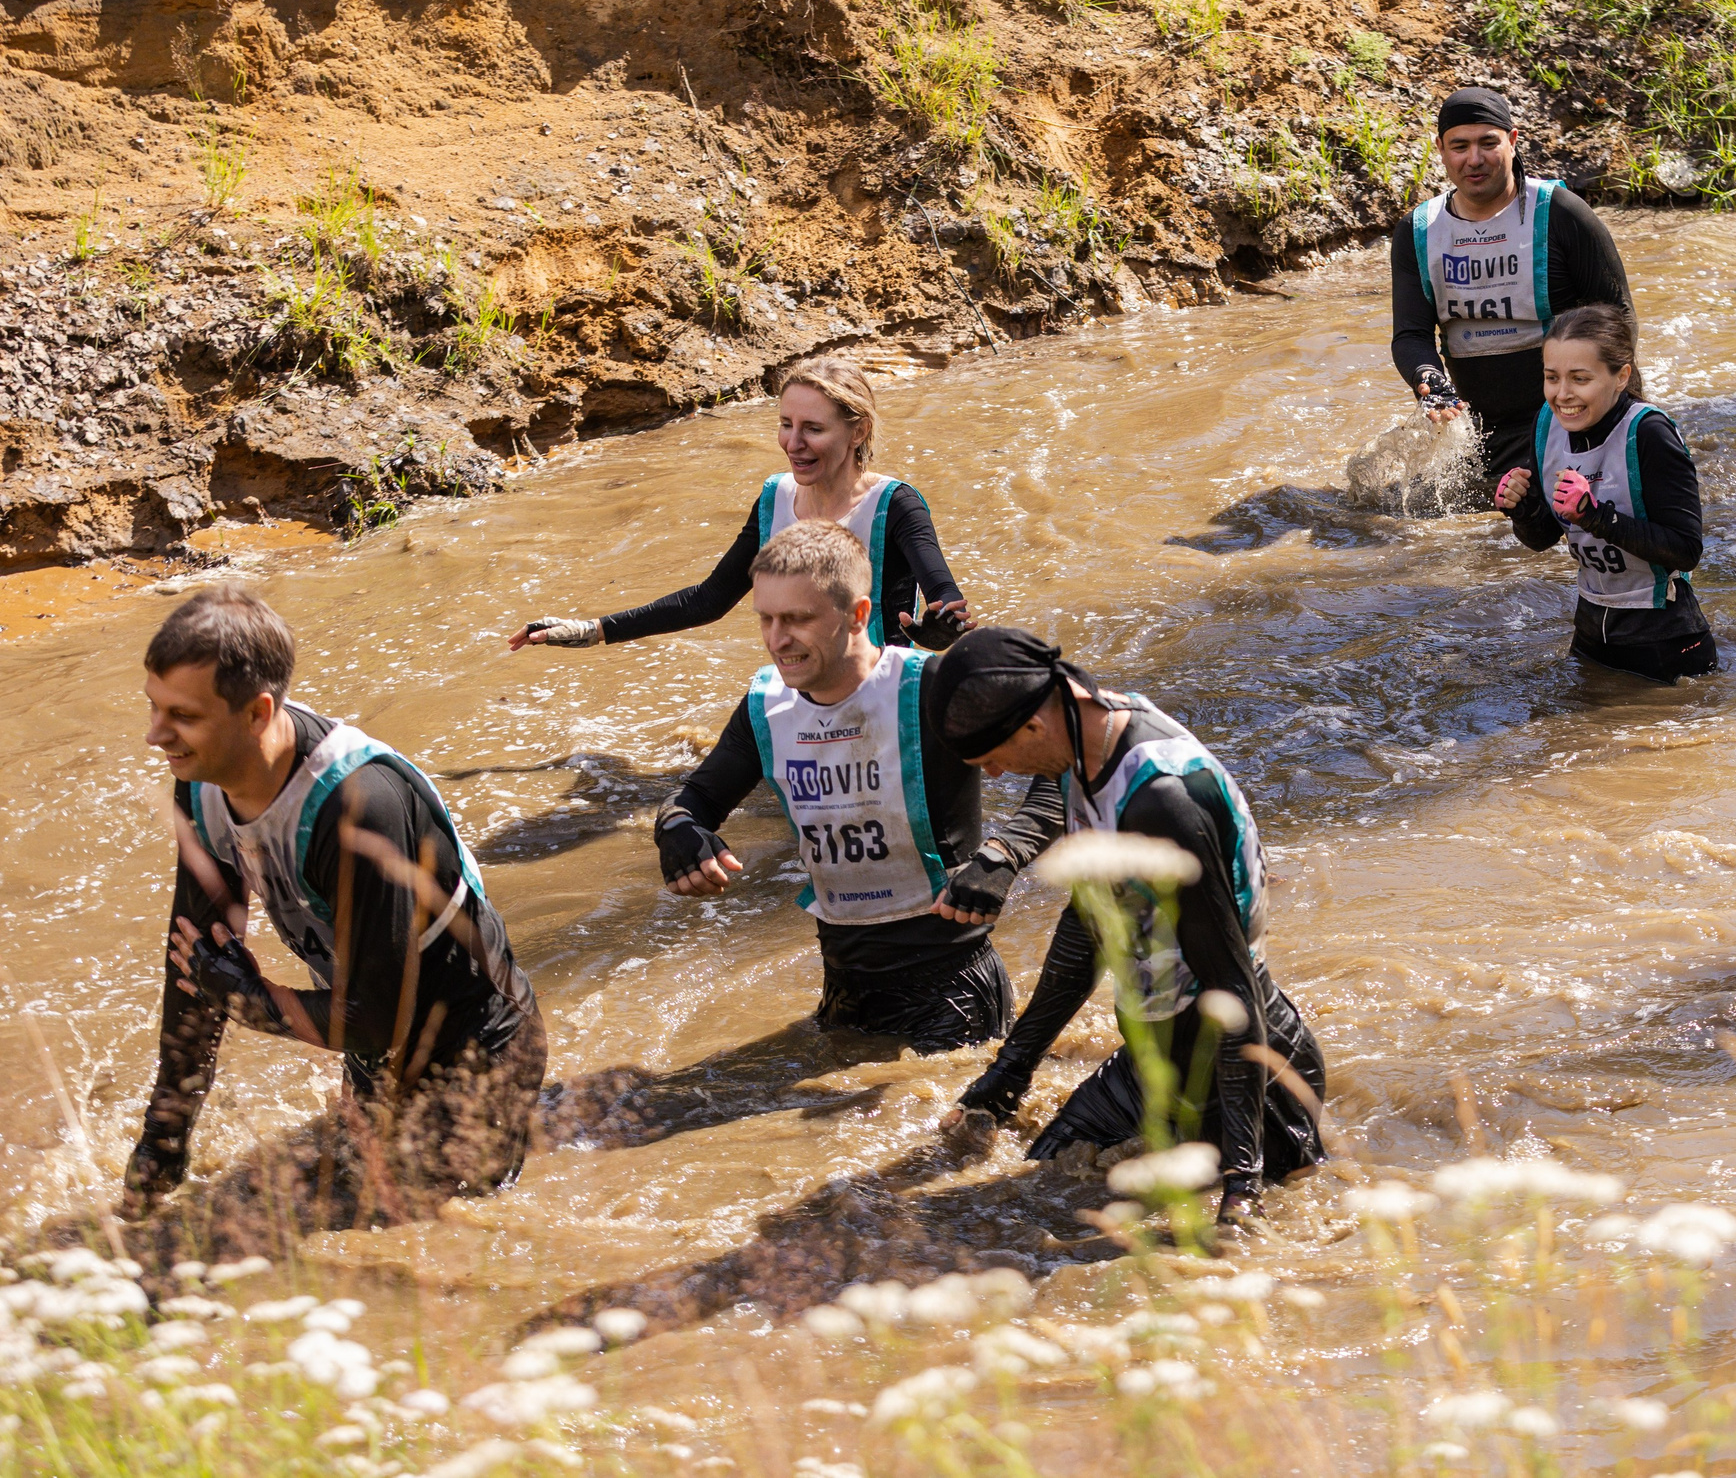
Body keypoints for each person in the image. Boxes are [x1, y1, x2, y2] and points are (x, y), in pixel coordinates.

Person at [124, 585, 543, 1220]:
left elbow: (379, 1018)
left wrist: (250, 1000)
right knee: (330, 1200)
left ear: (258, 713)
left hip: (476, 1049)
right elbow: (192, 962)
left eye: (181, 716)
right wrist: (164, 1141)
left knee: (429, 1234)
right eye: (154, 708)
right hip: (376, 1047)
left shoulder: (356, 806)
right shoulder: (201, 783)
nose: (156, 735)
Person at [923, 627, 1325, 1226]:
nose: (999, 777)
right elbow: (1090, 925)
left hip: (1247, 1091)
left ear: (1033, 725)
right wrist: (1009, 1074)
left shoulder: (1160, 799)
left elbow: (1232, 995)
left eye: (994, 760)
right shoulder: (1079, 747)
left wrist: (1243, 1186)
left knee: (1065, 1230)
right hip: (1151, 1066)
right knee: (1034, 1192)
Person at [650, 520, 1058, 1051]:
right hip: (844, 988)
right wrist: (678, 829)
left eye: (798, 619)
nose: (778, 640)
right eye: (767, 619)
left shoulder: (929, 687)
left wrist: (1005, 854)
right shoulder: (766, 706)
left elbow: (1065, 762)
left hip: (952, 990)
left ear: (858, 614)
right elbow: (696, 798)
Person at [509, 356, 970, 654]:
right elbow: (709, 600)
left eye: (813, 428)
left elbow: (945, 599)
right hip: (801, 692)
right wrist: (592, 630)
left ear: (858, 432)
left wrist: (940, 634)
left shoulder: (896, 506)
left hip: (882, 696)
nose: (793, 442)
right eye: (786, 423)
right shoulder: (775, 500)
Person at [1391, 86, 1634, 504]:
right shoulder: (1418, 231)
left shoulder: (1560, 211)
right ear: (1441, 151)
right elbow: (1411, 334)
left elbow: (1618, 317)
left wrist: (1591, 403)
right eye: (1460, 146)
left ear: (1513, 141)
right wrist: (1428, 380)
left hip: (1569, 412)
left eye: (1488, 143)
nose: (1475, 159)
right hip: (1482, 425)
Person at [1492, 306, 1715, 683]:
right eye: (1552, 378)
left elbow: (1685, 549)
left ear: (1620, 376)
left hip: (1665, 649)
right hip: (1591, 640)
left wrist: (1596, 516)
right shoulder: (1547, 424)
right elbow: (1542, 538)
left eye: (1580, 379)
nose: (1563, 395)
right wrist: (1523, 508)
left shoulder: (1649, 433)